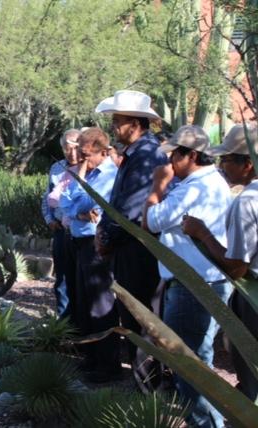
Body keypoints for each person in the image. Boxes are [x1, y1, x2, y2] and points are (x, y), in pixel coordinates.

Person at [143, 125, 232, 427]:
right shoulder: (208, 181)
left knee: (189, 364)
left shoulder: (195, 186)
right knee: (198, 362)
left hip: (192, 285)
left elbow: (152, 221)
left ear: (192, 155)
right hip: (202, 282)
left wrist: (157, 186)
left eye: (174, 156)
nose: (169, 163)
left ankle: (206, 424)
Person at [182, 123, 258, 403]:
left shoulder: (248, 201)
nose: (221, 165)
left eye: (226, 159)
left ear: (247, 164)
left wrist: (202, 233)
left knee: (251, 376)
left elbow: (237, 266)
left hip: (253, 301)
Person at [94, 90, 168, 362]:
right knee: (133, 313)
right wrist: (104, 230)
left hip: (138, 248)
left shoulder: (146, 155)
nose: (113, 127)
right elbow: (119, 201)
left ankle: (147, 382)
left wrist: (107, 237)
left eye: (118, 121)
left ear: (136, 124)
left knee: (142, 315)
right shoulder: (138, 153)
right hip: (128, 244)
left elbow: (133, 207)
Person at [59, 128, 120, 383]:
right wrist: (82, 176)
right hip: (80, 242)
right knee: (84, 303)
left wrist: (77, 209)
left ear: (103, 151)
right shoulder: (88, 172)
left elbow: (86, 205)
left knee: (100, 304)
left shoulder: (108, 176)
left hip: (97, 244)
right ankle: (92, 358)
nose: (82, 159)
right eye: (80, 154)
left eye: (87, 155)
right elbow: (65, 203)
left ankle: (108, 365)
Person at [42, 129, 80, 317]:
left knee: (80, 278)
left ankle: (82, 322)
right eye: (67, 148)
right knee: (62, 279)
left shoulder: (88, 168)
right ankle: (64, 322)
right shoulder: (56, 168)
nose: (72, 152)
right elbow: (46, 196)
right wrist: (49, 219)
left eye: (75, 147)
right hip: (60, 230)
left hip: (80, 231)